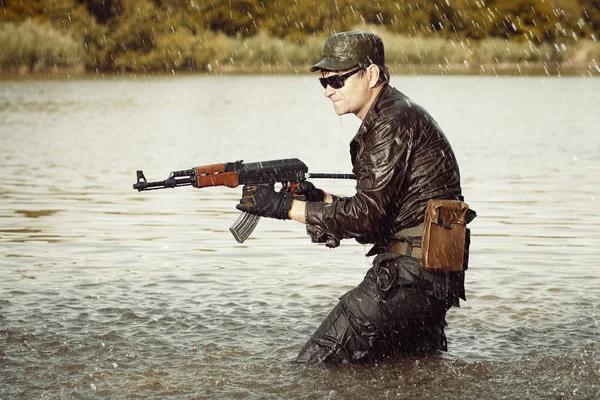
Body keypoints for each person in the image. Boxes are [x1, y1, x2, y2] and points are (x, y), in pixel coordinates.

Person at [236, 31, 474, 364]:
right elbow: (378, 218)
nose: (329, 90)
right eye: (324, 82)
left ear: (372, 74)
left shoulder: (390, 122)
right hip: (430, 277)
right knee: (410, 377)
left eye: (338, 79)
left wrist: (286, 207)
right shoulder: (396, 114)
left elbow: (366, 217)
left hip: (409, 278)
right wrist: (319, 198)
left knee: (310, 368)